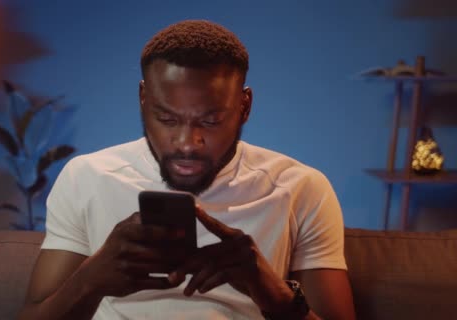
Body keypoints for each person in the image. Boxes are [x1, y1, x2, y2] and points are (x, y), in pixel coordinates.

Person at [19, 20, 356, 320]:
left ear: (244, 106)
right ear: (143, 98)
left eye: (210, 121)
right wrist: (89, 281)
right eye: (167, 119)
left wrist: (275, 295)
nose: (187, 143)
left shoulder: (301, 187)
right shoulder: (85, 177)